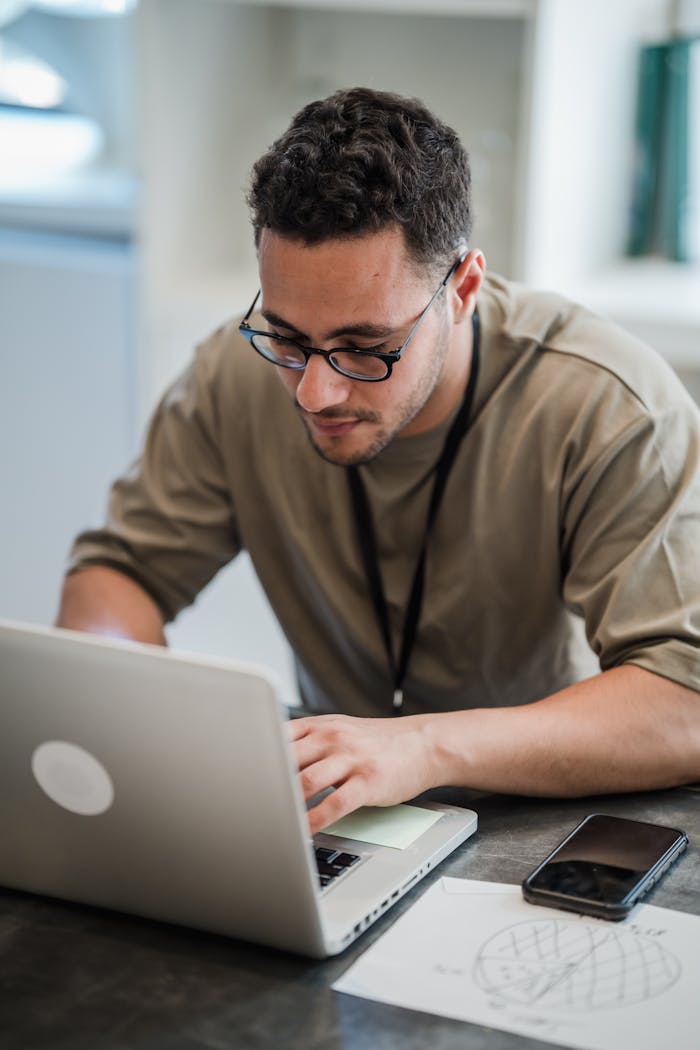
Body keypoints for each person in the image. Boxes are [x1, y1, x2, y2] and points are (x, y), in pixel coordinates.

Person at [57, 87, 700, 833]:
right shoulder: (229, 377)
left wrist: (423, 747)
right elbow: (120, 573)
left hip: (538, 813)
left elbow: (684, 701)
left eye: (365, 348)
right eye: (288, 337)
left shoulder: (610, 405)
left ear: (461, 288)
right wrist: (136, 728)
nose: (314, 392)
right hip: (336, 815)